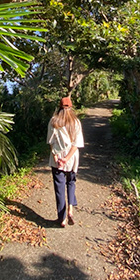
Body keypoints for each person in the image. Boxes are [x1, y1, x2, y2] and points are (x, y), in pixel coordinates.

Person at [47, 96, 85, 227]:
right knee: (71, 182)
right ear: (71, 107)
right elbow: (77, 144)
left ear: (59, 106)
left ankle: (62, 218)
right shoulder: (76, 122)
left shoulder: (53, 121)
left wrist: (57, 157)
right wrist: (67, 158)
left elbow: (51, 142)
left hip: (57, 158)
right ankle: (70, 210)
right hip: (72, 158)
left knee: (59, 187)